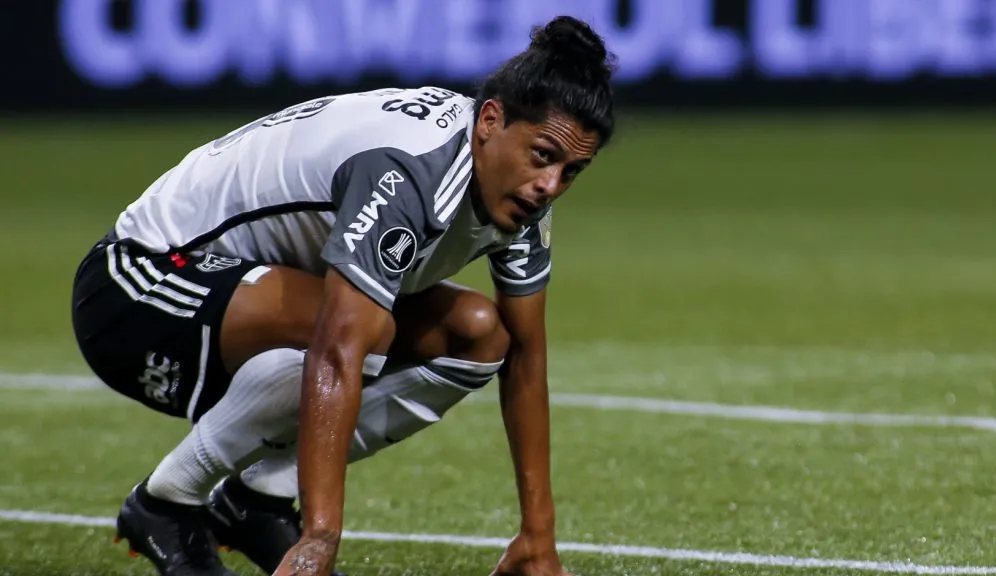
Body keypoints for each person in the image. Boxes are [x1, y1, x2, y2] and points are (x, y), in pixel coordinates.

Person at [70, 14, 616, 576]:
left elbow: (526, 357)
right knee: (363, 327)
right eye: (543, 155)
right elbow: (339, 347)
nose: (550, 186)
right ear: (491, 120)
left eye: (572, 171)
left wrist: (538, 539)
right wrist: (321, 535)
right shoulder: (409, 168)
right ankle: (168, 501)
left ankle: (257, 498)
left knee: (480, 332)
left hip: (246, 292)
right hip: (136, 286)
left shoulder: (523, 200)